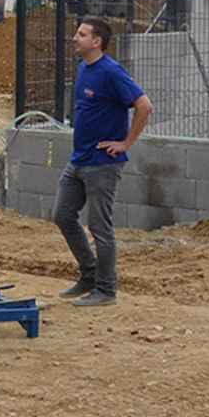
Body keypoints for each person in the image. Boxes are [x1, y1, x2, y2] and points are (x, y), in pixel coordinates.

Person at [56, 16, 151, 307]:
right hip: (79, 159)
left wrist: (125, 143)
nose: (75, 37)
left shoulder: (112, 72)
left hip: (103, 164)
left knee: (100, 227)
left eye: (82, 34)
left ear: (97, 42)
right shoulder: (84, 68)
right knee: (63, 214)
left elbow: (144, 106)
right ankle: (89, 274)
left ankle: (107, 289)